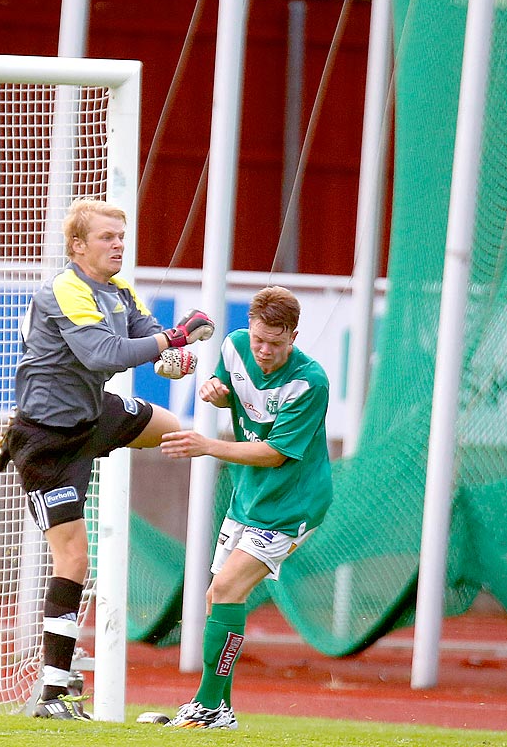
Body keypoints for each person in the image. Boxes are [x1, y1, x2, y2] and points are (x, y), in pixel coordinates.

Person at [0, 198, 213, 721]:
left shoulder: (117, 289)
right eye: (107, 237)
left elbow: (141, 337)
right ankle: (52, 695)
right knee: (73, 560)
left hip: (96, 415)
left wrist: (174, 358)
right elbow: (105, 355)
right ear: (77, 246)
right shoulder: (64, 287)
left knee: (185, 434)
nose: (119, 244)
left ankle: (248, 513)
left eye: (121, 236)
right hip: (49, 440)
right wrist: (175, 338)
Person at [160, 285, 333, 730]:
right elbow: (223, 388)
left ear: (293, 336)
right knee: (216, 596)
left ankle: (206, 707)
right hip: (248, 497)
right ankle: (220, 710)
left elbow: (275, 453)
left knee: (231, 588)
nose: (264, 350)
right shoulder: (235, 345)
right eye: (259, 339)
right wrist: (215, 391)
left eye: (275, 343)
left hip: (292, 504)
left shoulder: (310, 382)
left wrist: (207, 445)